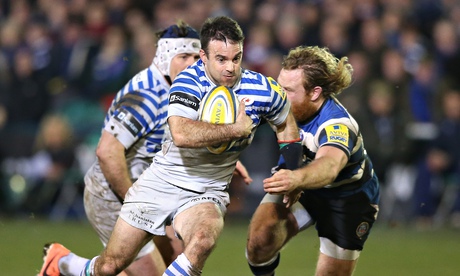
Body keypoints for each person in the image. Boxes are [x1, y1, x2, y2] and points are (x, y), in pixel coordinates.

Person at [39, 15, 300, 276]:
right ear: (205, 56)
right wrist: (235, 131)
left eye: (236, 58)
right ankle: (62, 263)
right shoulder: (169, 88)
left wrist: (291, 171)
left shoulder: (262, 88)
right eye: (221, 59)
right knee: (110, 267)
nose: (230, 67)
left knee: (201, 241)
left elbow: (286, 123)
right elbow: (178, 135)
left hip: (205, 190)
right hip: (134, 185)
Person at [39, 21, 201, 276]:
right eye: (183, 56)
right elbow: (107, 152)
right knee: (141, 271)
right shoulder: (144, 96)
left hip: (147, 194)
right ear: (164, 57)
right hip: (111, 195)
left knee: (179, 257)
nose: (192, 63)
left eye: (196, 56)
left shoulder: (179, 90)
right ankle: (63, 264)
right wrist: (135, 202)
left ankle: (61, 263)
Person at [246, 46, 380, 276]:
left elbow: (328, 167)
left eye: (288, 90)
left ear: (315, 93)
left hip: (347, 199)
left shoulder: (337, 125)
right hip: (300, 181)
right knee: (259, 242)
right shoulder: (284, 105)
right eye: (279, 85)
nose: (279, 95)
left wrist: (296, 178)